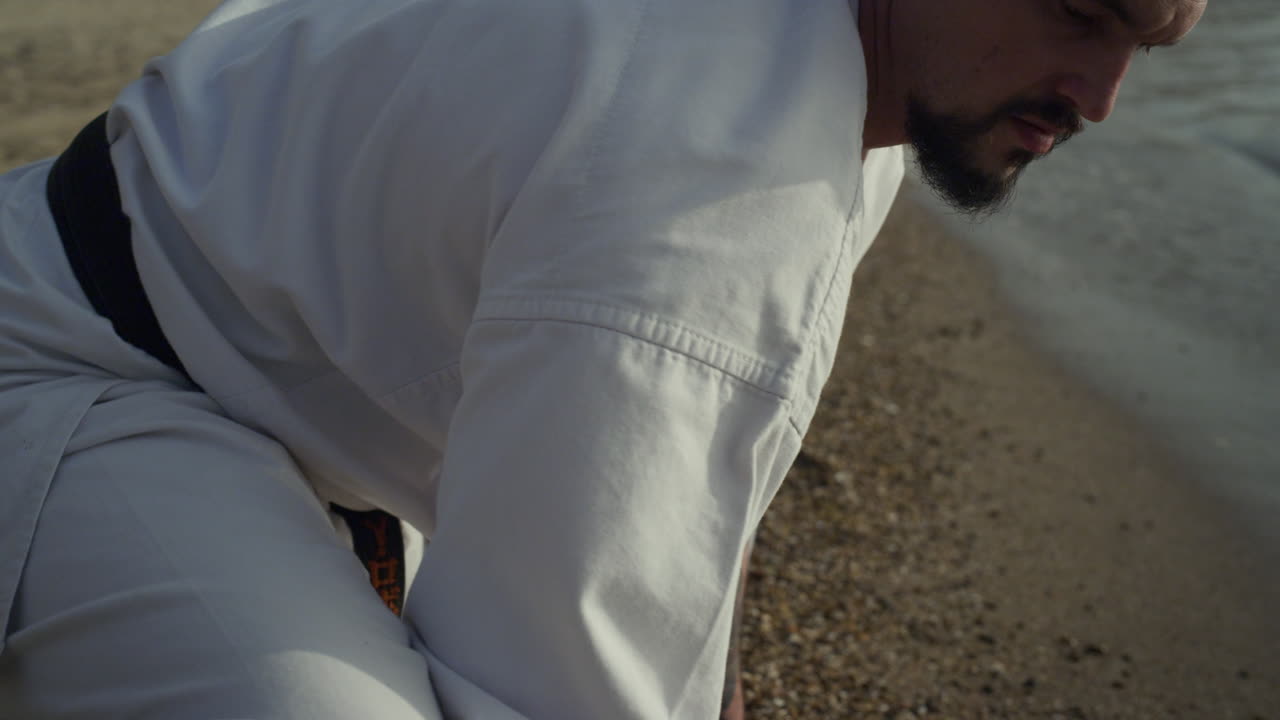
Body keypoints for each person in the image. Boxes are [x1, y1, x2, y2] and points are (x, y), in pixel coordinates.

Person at [0, 0, 1205, 717]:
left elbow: (669, 471)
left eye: (1147, 42)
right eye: (1079, 9)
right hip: (91, 362)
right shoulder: (702, 184)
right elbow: (549, 693)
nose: (1099, 96)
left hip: (258, 331)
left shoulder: (820, 59)